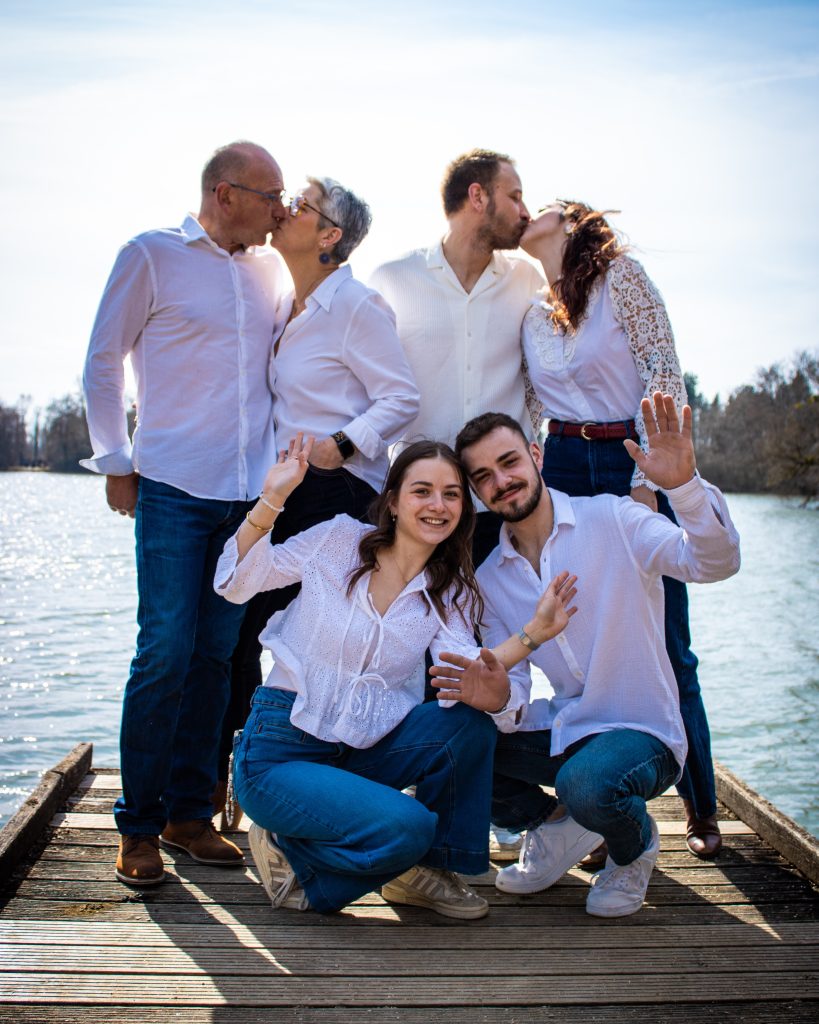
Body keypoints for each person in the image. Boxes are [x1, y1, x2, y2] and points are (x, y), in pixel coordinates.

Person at [214, 436, 577, 917]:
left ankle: (430, 873)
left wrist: (533, 635)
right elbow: (237, 582)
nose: (437, 505)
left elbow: (468, 673)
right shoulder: (339, 539)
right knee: (408, 828)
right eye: (422, 491)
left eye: (451, 494)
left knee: (466, 724)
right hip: (282, 751)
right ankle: (299, 860)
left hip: (360, 752)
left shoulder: (448, 591)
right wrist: (273, 498)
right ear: (393, 501)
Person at [435, 399, 740, 918]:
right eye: (483, 476)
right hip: (572, 723)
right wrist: (498, 696)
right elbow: (517, 691)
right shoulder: (489, 578)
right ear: (475, 492)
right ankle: (556, 826)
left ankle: (633, 848)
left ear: (537, 455)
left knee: (587, 784)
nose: (501, 482)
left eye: (509, 462)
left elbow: (714, 562)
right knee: (453, 744)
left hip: (642, 732)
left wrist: (684, 489)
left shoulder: (614, 517)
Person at [81, 141, 288, 886]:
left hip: (247, 498)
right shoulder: (150, 254)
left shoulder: (271, 271)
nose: (281, 210)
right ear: (225, 193)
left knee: (214, 659)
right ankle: (137, 825)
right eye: (271, 195)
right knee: (165, 651)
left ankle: (189, 815)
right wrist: (115, 461)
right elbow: (103, 361)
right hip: (170, 486)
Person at [518, 200, 724, 860]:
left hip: (628, 456)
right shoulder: (530, 311)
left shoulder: (621, 278)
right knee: (581, 633)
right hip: (560, 467)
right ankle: (603, 809)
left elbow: (663, 369)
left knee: (667, 638)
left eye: (541, 205)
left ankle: (700, 804)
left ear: (569, 220)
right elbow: (527, 405)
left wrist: (646, 479)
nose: (528, 211)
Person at [218, 177, 420, 821]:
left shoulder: (356, 304)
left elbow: (402, 397)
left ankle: (317, 787)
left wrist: (342, 443)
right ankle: (246, 779)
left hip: (337, 495)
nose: (286, 211)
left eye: (301, 206)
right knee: (243, 632)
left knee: (316, 645)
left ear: (330, 235)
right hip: (284, 489)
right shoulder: (287, 304)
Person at [369, 148, 543, 567]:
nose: (525, 212)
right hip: (421, 508)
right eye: (515, 197)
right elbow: (368, 390)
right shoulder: (392, 279)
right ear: (478, 196)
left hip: (502, 504)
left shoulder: (528, 280)